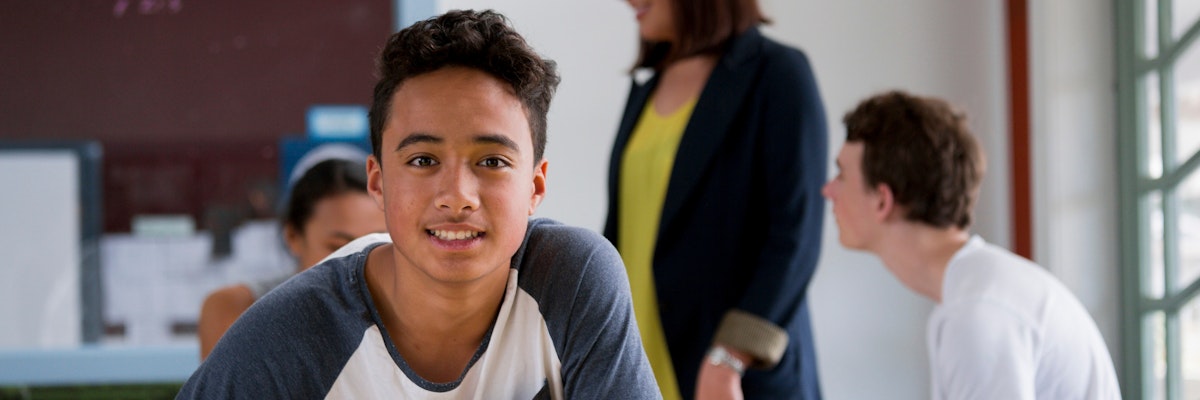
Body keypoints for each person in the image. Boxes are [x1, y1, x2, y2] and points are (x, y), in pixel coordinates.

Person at [178, 9, 660, 399]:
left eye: (491, 161)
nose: (457, 196)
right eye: (423, 159)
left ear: (535, 187)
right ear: (379, 181)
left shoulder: (570, 280)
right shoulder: (295, 335)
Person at [822, 91, 1121, 399]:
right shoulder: (971, 295)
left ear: (883, 200)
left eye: (842, 175)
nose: (827, 190)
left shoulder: (976, 311)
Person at [603, 0, 827, 399]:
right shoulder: (647, 86)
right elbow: (622, 231)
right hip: (643, 369)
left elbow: (796, 237)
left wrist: (730, 356)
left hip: (732, 377)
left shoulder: (778, 74)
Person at [196, 158, 385, 360]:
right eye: (338, 247)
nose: (359, 262)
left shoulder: (407, 314)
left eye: (376, 244)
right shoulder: (235, 308)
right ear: (293, 236)